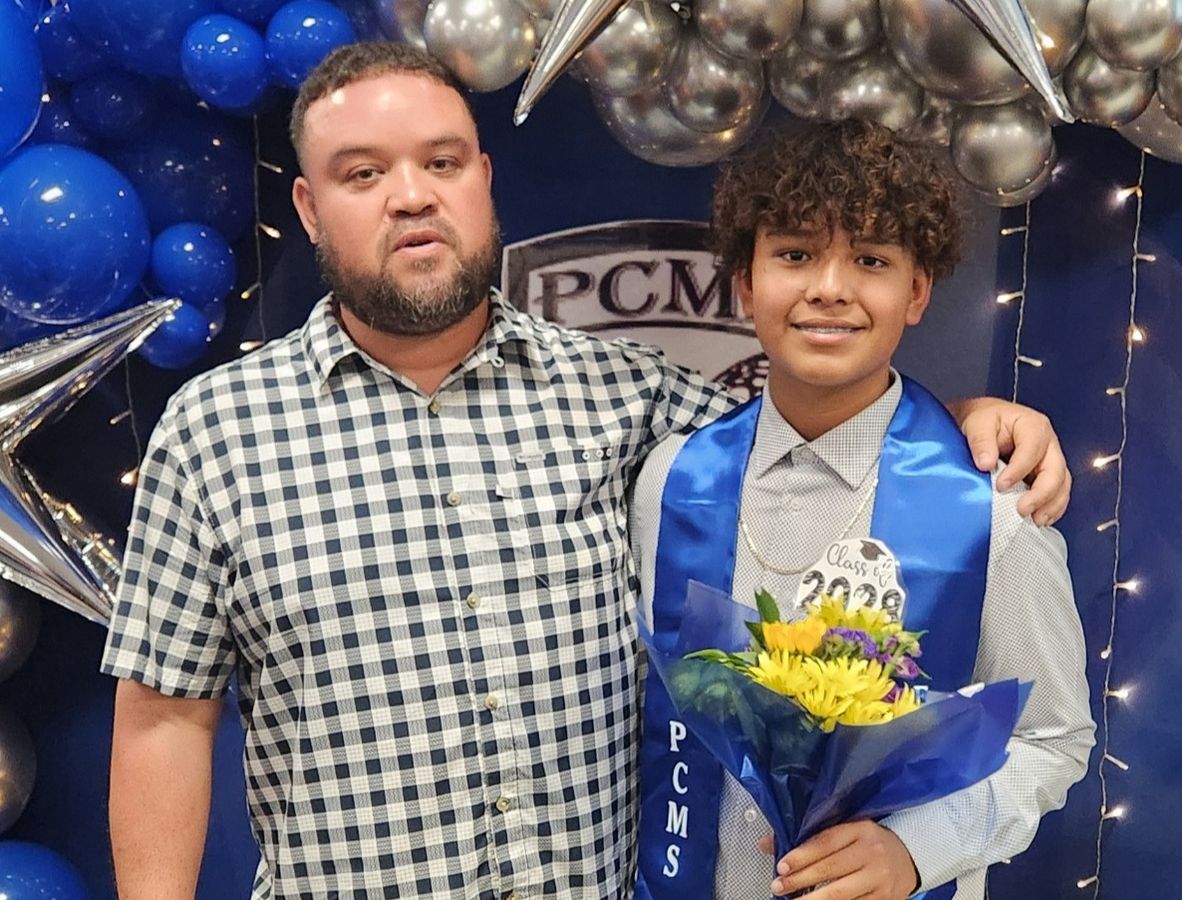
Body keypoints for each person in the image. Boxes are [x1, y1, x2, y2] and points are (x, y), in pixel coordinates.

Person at [102, 43, 1072, 900]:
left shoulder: (625, 399)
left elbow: (820, 421)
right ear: (309, 207)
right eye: (363, 173)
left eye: (441, 162)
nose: (411, 195)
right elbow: (162, 721)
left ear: (482, 178)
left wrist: (966, 424)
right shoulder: (214, 433)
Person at [631, 121, 1093, 900]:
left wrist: (915, 849)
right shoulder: (672, 478)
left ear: (917, 292)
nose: (830, 288)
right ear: (745, 282)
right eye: (795, 254)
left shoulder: (990, 511)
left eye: (871, 260)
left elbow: (1052, 739)